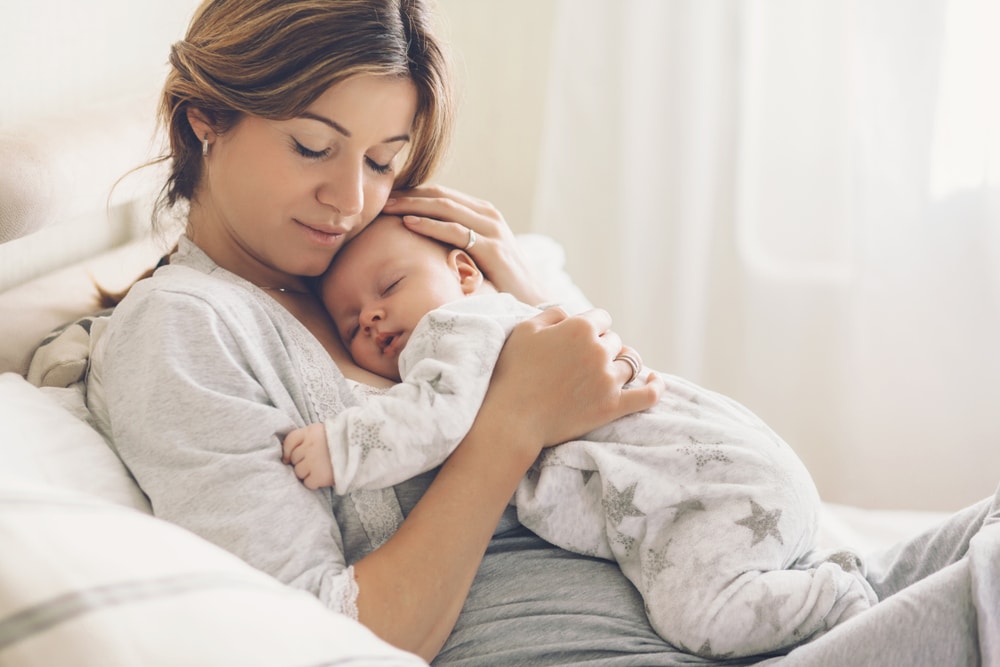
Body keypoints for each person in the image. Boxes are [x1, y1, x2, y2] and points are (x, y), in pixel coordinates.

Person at [83, 0, 999, 665]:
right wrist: (510, 418)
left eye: (380, 160)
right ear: (207, 117)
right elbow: (328, 633)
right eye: (312, 147)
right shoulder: (184, 332)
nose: (349, 198)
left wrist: (520, 290)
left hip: (743, 592)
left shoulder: (352, 264)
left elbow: (624, 416)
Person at [281, 213, 876, 658]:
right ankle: (822, 576)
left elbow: (430, 420)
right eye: (353, 323)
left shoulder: (456, 330)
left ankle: (835, 600)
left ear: (465, 273)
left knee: (701, 615)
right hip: (735, 475)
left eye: (388, 288)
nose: (373, 318)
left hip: (708, 488)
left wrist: (342, 447)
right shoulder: (518, 325)